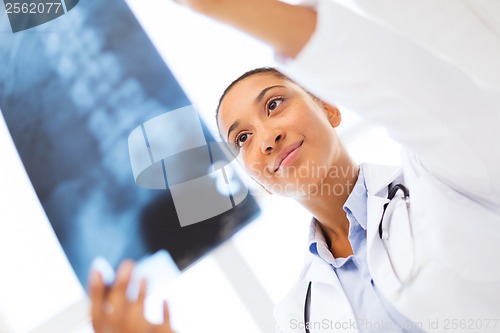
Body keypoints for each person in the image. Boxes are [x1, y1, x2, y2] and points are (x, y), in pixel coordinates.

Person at [89, 1, 500, 332]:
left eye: (274, 104)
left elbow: (417, 92)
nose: (266, 138)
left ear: (329, 108)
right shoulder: (295, 315)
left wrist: (221, 6)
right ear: (256, 180)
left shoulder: (444, 176)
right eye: (242, 139)